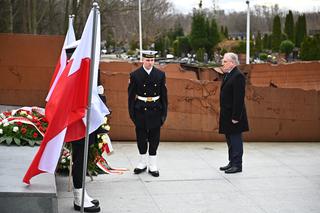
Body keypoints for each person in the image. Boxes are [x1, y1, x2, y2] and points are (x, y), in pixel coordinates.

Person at [128, 50, 168, 177]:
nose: (150, 62)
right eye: (147, 60)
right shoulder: (135, 75)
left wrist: (164, 114)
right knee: (141, 138)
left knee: (154, 138)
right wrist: (132, 113)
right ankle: (142, 162)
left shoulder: (160, 74)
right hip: (140, 110)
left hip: (156, 109)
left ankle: (153, 164)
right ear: (142, 60)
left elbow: (164, 96)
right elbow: (130, 96)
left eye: (152, 60)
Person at [218, 52, 249, 174]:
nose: (223, 63)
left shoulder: (238, 76)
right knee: (230, 140)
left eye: (225, 61)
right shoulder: (229, 74)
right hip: (227, 115)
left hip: (234, 116)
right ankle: (231, 162)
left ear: (232, 63)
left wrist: (236, 116)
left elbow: (239, 99)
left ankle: (237, 165)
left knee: (236, 140)